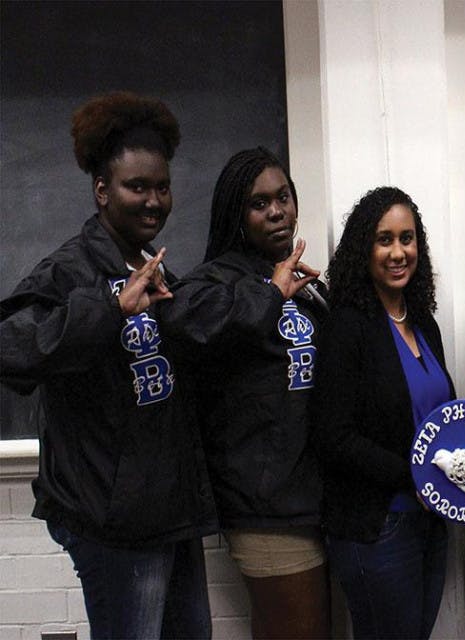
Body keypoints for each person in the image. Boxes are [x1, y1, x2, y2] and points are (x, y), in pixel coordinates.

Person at [0, 92, 217, 638]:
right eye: (136, 186)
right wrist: (108, 308)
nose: (153, 201)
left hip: (171, 516)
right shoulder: (68, 272)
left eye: (161, 186)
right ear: (102, 191)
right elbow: (11, 348)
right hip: (113, 526)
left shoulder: (155, 268)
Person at [159, 147, 330, 638]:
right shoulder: (219, 281)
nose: (277, 211)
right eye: (259, 203)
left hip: (308, 500)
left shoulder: (291, 277)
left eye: (284, 197)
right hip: (266, 508)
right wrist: (271, 293)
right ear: (237, 214)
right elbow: (184, 323)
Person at [311, 186, 454, 640]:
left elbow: (440, 419)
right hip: (376, 524)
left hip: (431, 518)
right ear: (364, 249)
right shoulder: (346, 326)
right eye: (384, 239)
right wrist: (415, 475)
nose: (398, 252)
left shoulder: (424, 322)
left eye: (407, 239)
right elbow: (333, 437)